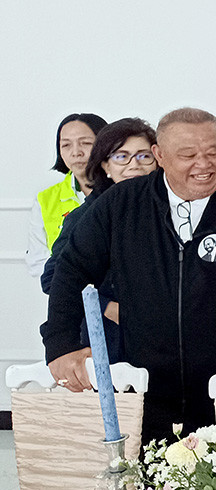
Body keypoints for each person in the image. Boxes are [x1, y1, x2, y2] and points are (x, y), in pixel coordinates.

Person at [43, 107, 216, 444]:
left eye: (214, 152)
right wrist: (60, 345)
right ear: (159, 156)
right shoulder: (121, 205)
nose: (203, 164)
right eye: (188, 155)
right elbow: (71, 270)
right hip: (145, 392)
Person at [41, 117, 160, 363]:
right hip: (109, 337)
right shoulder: (87, 215)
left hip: (160, 336)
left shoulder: (170, 208)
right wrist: (107, 307)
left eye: (143, 156)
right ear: (106, 165)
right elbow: (53, 277)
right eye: (121, 156)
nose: (134, 165)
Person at [26, 113, 107, 278]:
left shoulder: (122, 191)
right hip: (65, 289)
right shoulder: (45, 199)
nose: (76, 152)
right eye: (66, 145)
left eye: (86, 143)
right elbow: (37, 261)